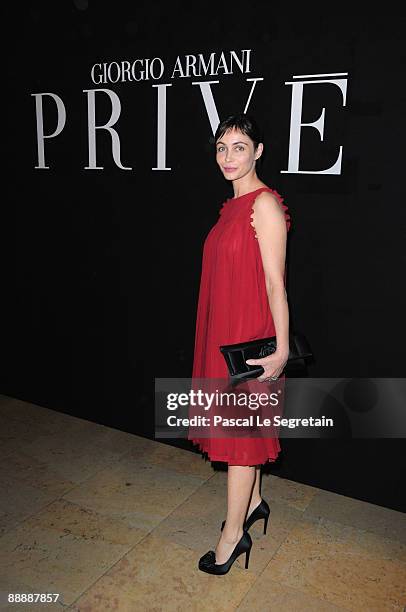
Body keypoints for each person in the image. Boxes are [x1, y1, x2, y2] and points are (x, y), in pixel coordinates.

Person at [188, 113, 291, 575]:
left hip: (248, 336)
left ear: (259, 151)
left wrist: (282, 350)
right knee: (241, 433)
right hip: (224, 332)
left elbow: (275, 285)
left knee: (238, 437)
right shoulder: (231, 205)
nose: (228, 158)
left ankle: (233, 536)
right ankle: (253, 503)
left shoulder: (263, 204)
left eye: (239, 147)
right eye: (221, 148)